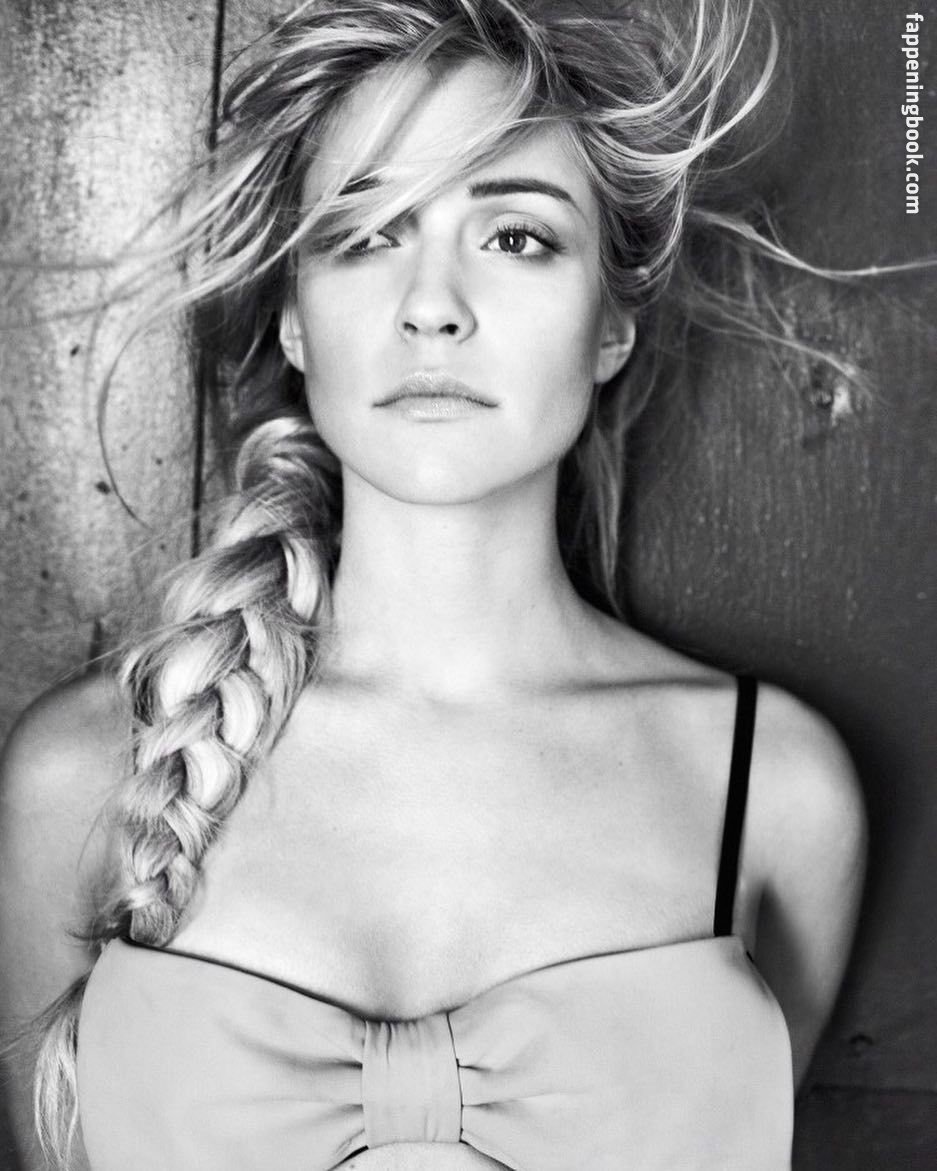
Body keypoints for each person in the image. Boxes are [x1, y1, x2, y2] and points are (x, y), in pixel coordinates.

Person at [0, 0, 869, 1168]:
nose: (432, 306)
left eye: (514, 237)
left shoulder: (776, 791)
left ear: (610, 324)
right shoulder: (78, 777)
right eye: (366, 235)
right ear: (294, 318)